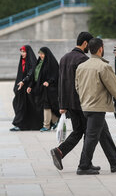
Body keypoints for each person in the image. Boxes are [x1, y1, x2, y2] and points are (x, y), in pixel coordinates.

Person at [75, 38, 116, 175]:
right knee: (91, 137)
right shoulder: (103, 67)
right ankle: (83, 166)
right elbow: (115, 88)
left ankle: (115, 162)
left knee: (104, 135)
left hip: (86, 106)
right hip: (97, 107)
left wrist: (84, 99)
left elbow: (77, 86)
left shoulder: (82, 66)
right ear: (100, 49)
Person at [50, 32, 95, 171]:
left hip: (69, 103)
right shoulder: (83, 59)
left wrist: (62, 105)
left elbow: (61, 83)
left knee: (79, 130)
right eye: (89, 44)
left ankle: (60, 151)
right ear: (85, 43)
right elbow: (85, 84)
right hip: (82, 103)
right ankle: (85, 164)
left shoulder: (64, 58)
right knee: (89, 132)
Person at [11, 45, 43, 131]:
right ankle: (21, 124)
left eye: (24, 52)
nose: (22, 53)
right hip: (22, 88)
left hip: (30, 87)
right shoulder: (22, 61)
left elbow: (31, 73)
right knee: (17, 103)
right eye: (21, 51)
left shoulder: (32, 61)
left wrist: (24, 81)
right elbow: (19, 75)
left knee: (31, 106)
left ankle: (24, 125)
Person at [30, 46, 60, 132]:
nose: (41, 55)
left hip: (51, 89)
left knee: (47, 106)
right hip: (42, 88)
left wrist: (49, 82)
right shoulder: (39, 63)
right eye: (39, 54)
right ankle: (55, 120)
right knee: (48, 106)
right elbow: (35, 75)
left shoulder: (52, 63)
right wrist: (31, 86)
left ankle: (46, 126)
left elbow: (55, 75)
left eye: (42, 54)